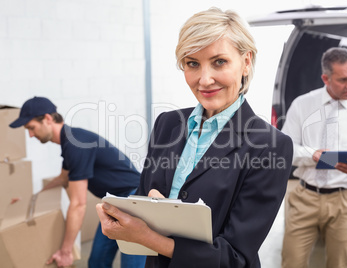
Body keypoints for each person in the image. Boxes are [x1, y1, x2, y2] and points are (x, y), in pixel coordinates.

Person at [95, 7, 293, 268]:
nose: (204, 79)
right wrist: (127, 215)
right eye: (192, 64)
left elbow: (235, 257)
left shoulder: (269, 145)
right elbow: (142, 198)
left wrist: (148, 236)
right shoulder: (168, 124)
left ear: (246, 62)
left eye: (219, 62)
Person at [281, 47, 347, 268]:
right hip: (304, 197)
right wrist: (312, 154)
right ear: (325, 78)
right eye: (342, 80)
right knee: (291, 262)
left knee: (340, 265)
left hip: (345, 201)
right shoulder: (302, 105)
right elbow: (285, 149)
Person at [9, 96, 146, 268]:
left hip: (134, 199)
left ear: (47, 119)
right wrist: (32, 199)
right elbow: (62, 179)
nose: (30, 135)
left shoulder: (76, 144)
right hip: (115, 202)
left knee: (132, 264)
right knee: (97, 261)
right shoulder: (69, 142)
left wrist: (66, 252)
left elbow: (78, 205)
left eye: (31, 128)